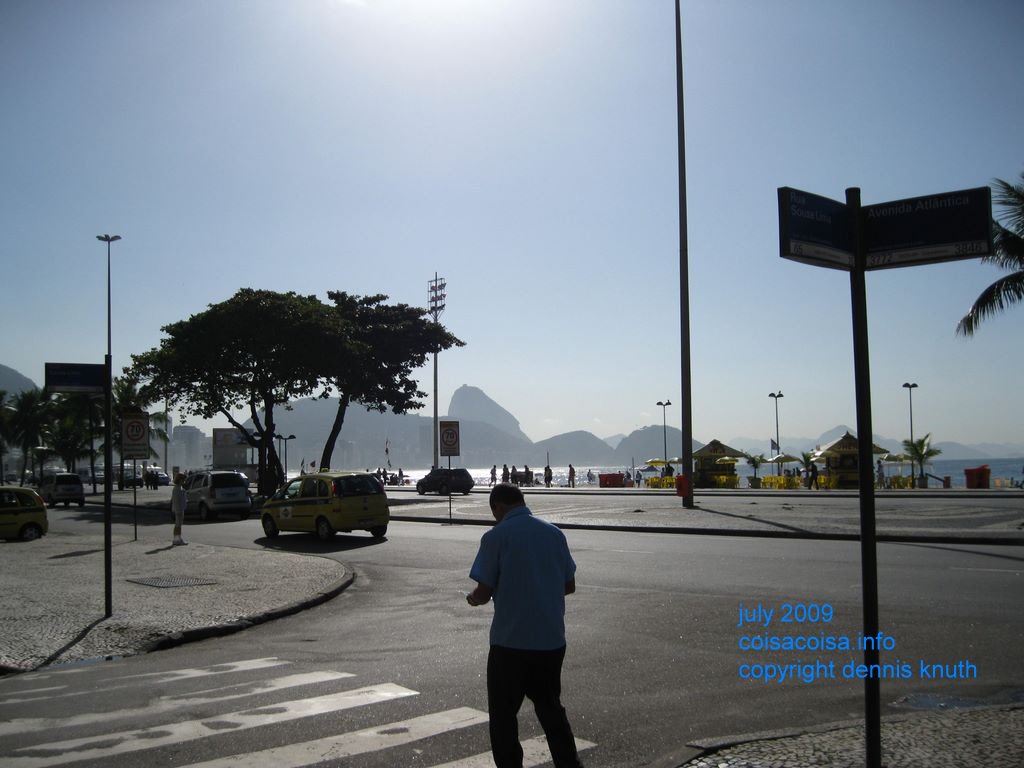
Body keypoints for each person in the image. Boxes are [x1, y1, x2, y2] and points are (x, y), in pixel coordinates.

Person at [466, 483, 585, 768]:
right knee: (551, 710)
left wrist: (472, 599)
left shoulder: (496, 537)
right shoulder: (554, 534)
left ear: (498, 506)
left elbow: (483, 591)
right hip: (550, 642)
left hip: (510, 644)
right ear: (521, 501)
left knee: (504, 717)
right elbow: (569, 585)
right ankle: (569, 765)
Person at [171, 472, 188, 546]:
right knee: (178, 525)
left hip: (180, 508)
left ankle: (176, 539)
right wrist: (178, 510)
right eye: (183, 480)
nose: (184, 481)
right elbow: (176, 500)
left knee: (178, 524)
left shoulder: (179, 488)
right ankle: (178, 539)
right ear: (180, 480)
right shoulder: (177, 488)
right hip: (179, 509)